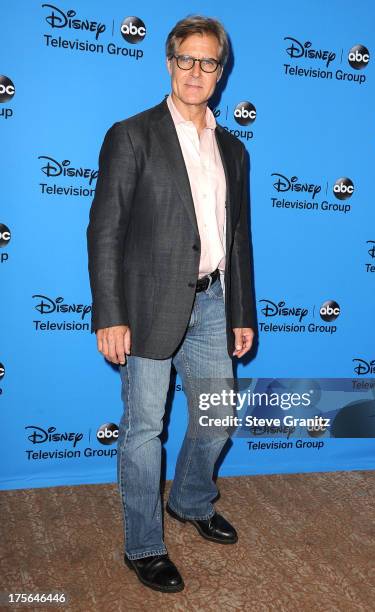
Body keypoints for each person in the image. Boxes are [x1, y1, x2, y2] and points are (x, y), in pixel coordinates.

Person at [86, 14, 256, 593]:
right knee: (141, 430)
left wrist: (241, 312)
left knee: (216, 419)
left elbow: (238, 239)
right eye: (187, 59)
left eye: (209, 62)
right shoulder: (131, 134)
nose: (196, 71)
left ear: (220, 71)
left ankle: (190, 500)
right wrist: (110, 313)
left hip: (213, 302)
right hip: (148, 304)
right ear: (169, 62)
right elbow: (104, 230)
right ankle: (144, 545)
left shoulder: (233, 148)